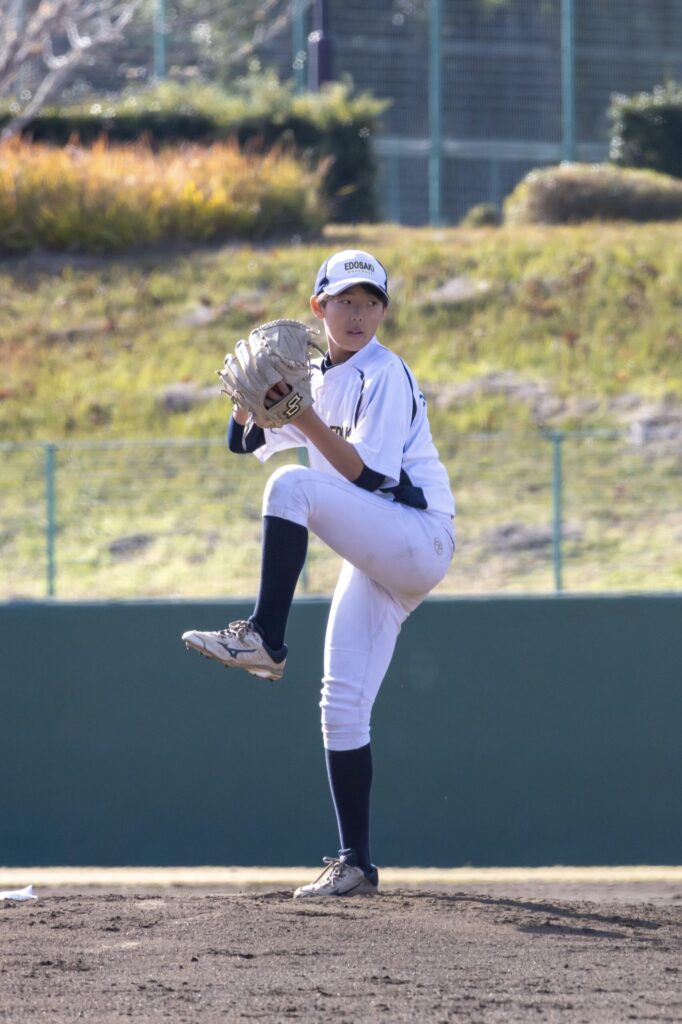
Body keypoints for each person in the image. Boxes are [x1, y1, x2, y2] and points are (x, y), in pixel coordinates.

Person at [182, 248, 455, 898]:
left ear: (384, 312)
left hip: (417, 534)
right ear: (318, 308)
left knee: (291, 487)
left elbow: (369, 475)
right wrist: (248, 402)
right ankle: (355, 864)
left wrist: (298, 412)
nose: (358, 314)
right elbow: (244, 443)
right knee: (341, 704)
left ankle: (265, 639)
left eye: (370, 302)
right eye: (345, 301)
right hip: (377, 553)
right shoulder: (315, 377)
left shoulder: (385, 372)